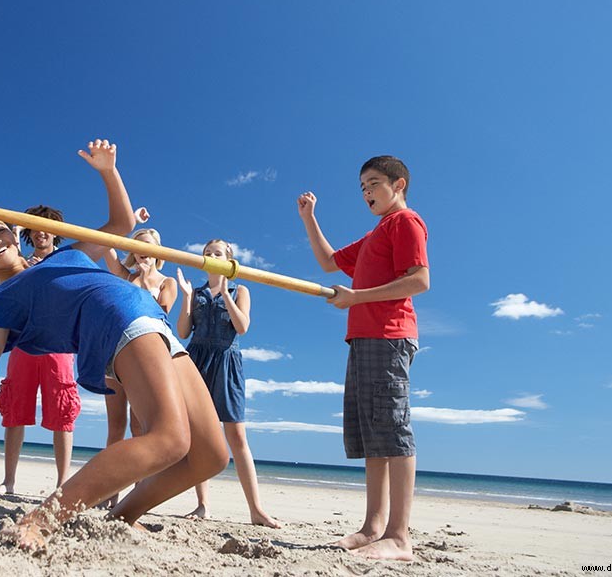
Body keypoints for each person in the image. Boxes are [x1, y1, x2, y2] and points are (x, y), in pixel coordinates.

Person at [0, 140, 229, 551]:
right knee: (170, 438)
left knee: (210, 456)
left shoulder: (65, 253)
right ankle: (45, 516)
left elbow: (121, 223)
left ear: (15, 234)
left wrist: (108, 171)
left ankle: (124, 516)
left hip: (157, 326)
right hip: (118, 326)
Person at [297, 155, 430, 561]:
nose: (367, 193)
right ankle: (373, 528)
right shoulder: (375, 234)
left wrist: (356, 297)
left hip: (389, 336)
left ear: (399, 184)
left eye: (373, 183)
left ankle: (400, 537)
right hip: (362, 339)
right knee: (373, 437)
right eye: (362, 188)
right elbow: (328, 262)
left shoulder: (405, 222)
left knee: (393, 430)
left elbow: (419, 280)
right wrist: (309, 216)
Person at [175, 240, 280, 528]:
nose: (211, 257)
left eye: (217, 253)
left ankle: (256, 510)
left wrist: (225, 293)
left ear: (229, 260)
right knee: (199, 436)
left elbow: (242, 327)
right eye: (208, 253)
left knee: (237, 437)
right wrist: (185, 298)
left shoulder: (240, 290)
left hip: (226, 361)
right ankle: (202, 505)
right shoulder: (195, 293)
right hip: (197, 361)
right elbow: (183, 332)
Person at [0, 205, 81, 495]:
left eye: (47, 226)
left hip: (59, 343)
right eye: (35, 227)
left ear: (56, 231)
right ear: (28, 233)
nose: (41, 232)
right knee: (15, 407)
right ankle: (9, 481)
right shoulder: (17, 262)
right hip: (24, 342)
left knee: (62, 411)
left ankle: (62, 484)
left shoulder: (70, 259)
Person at [101, 224, 176, 492]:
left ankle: (138, 490)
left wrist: (145, 279)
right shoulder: (123, 274)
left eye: (149, 246)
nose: (144, 251)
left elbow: (161, 312)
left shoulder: (168, 282)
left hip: (145, 356)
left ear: (157, 252)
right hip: (114, 350)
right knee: (115, 426)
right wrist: (129, 221)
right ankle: (109, 491)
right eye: (139, 245)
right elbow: (104, 243)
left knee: (139, 427)